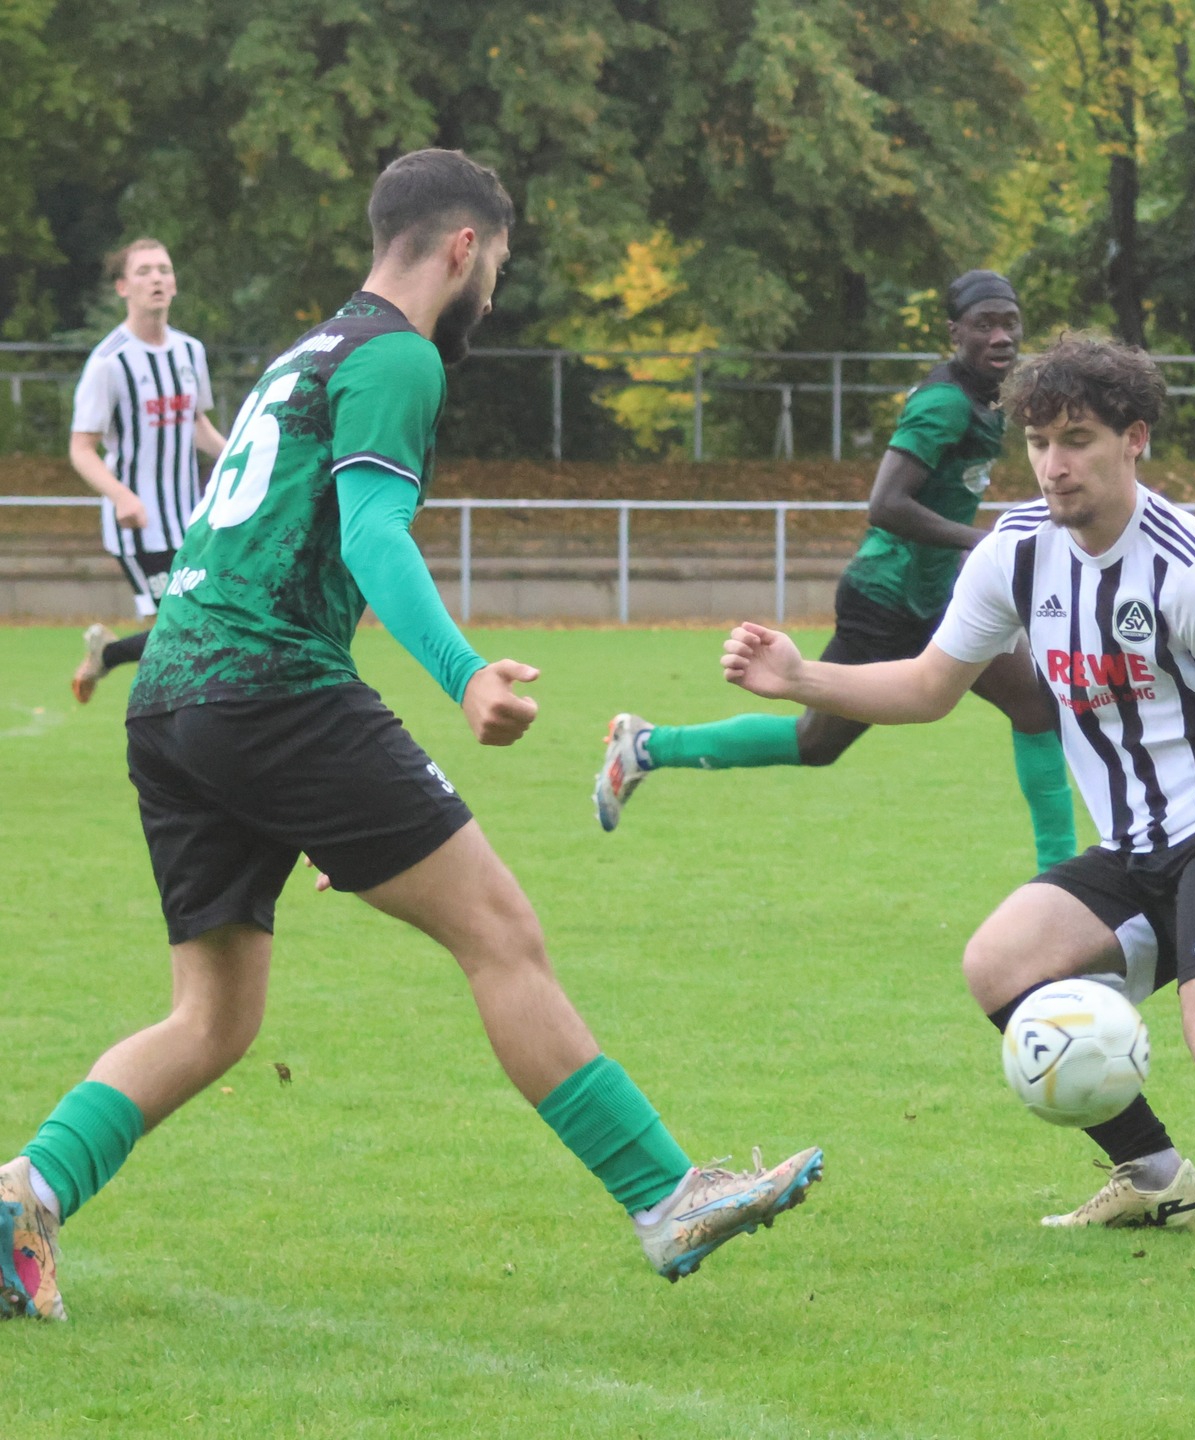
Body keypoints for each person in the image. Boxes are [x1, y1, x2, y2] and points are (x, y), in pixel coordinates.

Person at [0, 150, 821, 1323]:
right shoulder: (398, 357)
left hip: (175, 695)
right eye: (500, 265)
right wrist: (465, 673)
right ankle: (665, 1194)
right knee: (501, 934)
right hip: (272, 687)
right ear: (461, 250)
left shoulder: (306, 351)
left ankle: (22, 1197)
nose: (493, 291)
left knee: (214, 1016)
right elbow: (376, 532)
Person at [717, 334, 1195, 1253]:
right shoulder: (1015, 554)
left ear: (1133, 439)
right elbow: (933, 687)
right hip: (1135, 844)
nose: (1053, 466)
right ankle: (1154, 1177)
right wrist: (801, 679)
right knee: (1000, 964)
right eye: (1037, 442)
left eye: (1078, 439)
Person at [593, 272, 1076, 873]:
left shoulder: (984, 398)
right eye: (985, 325)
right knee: (815, 743)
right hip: (888, 596)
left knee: (1034, 707)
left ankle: (1060, 877)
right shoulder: (945, 402)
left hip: (942, 592)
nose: (1002, 336)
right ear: (955, 333)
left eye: (1010, 322)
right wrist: (985, 542)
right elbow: (886, 504)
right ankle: (645, 745)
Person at [68, 238, 229, 702]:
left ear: (174, 284)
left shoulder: (189, 352)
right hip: (139, 527)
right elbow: (81, 448)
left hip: (190, 519)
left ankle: (109, 657)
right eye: (143, 271)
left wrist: (237, 456)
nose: (156, 278)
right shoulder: (109, 362)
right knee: (185, 631)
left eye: (163, 269)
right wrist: (121, 495)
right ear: (123, 287)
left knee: (197, 626)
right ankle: (168, 725)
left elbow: (195, 423)